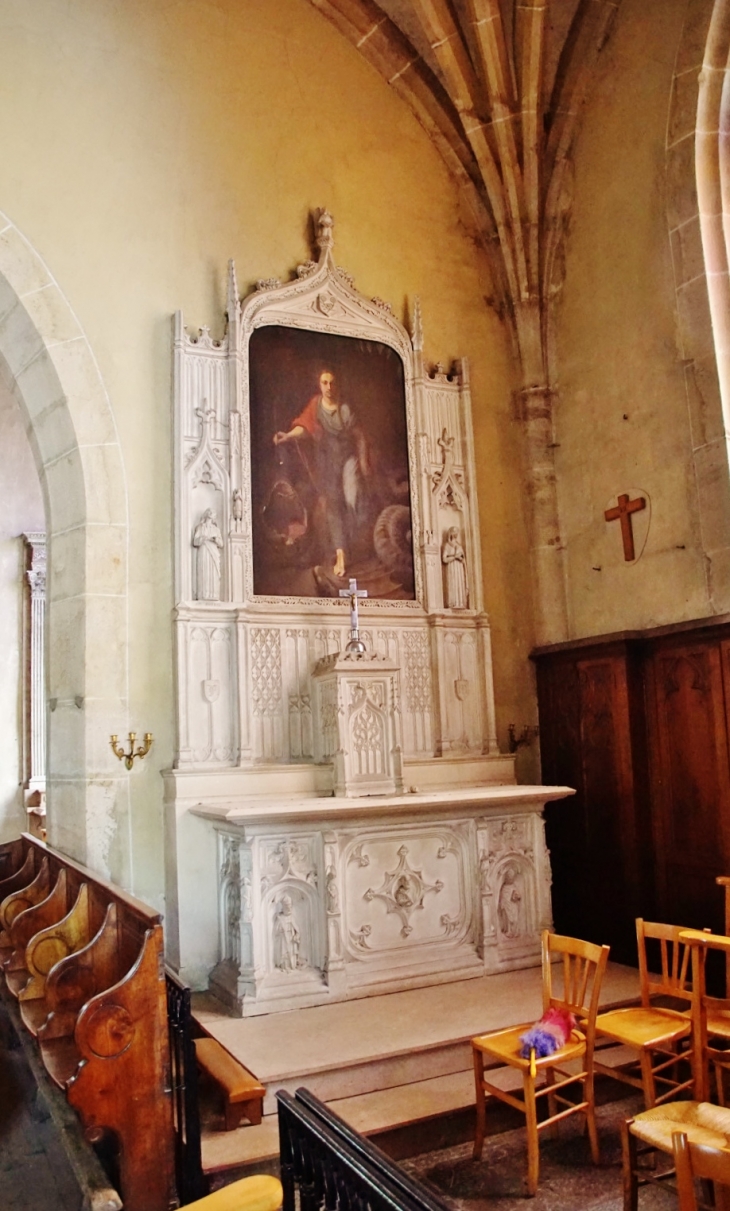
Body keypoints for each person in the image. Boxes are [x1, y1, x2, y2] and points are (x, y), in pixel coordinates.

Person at [274, 369, 369, 579]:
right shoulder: (316, 405)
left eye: (332, 383)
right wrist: (288, 436)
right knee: (333, 504)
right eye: (324, 383)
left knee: (352, 498)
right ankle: (341, 554)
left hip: (347, 459)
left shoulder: (345, 409)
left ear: (338, 385)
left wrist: (362, 461)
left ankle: (353, 542)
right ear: (320, 384)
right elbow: (305, 427)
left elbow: (359, 436)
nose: (328, 387)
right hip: (326, 461)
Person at [192, 508, 223, 600]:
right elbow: (195, 541)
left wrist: (215, 539)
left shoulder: (216, 529)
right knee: (204, 569)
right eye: (209, 513)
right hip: (204, 550)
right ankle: (203, 594)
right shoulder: (200, 527)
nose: (211, 515)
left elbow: (221, 544)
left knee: (213, 571)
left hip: (213, 551)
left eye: (212, 514)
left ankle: (214, 595)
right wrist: (203, 538)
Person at [442, 526, 468, 609]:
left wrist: (462, 559)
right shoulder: (447, 545)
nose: (456, 534)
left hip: (459, 568)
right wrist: (455, 557)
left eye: (457, 532)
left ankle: (460, 603)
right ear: (450, 533)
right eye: (454, 532)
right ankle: (453, 603)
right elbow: (444, 559)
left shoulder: (459, 546)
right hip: (451, 568)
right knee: (452, 582)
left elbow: (464, 560)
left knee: (459, 583)